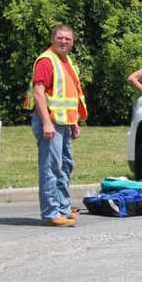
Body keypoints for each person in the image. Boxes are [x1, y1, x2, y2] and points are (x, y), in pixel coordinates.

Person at [23, 24, 87, 227]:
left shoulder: (67, 61)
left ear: (72, 42)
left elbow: (70, 94)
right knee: (51, 168)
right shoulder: (46, 60)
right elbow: (38, 92)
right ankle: (52, 213)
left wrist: (74, 122)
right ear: (53, 39)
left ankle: (63, 208)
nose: (64, 41)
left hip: (64, 123)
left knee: (65, 166)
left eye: (68, 39)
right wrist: (47, 123)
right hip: (50, 123)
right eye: (60, 37)